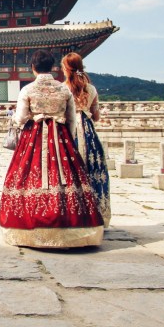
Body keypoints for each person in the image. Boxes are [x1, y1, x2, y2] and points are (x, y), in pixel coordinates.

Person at [0, 50, 103, 248]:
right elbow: (71, 119)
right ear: (53, 68)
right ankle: (71, 228)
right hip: (60, 135)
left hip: (34, 136)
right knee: (65, 176)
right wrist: (68, 142)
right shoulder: (63, 90)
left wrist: (16, 121)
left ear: (33, 68)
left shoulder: (27, 90)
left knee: (29, 175)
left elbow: (20, 118)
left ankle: (29, 226)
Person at [62, 52, 111, 227]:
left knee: (71, 174)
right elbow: (96, 116)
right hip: (89, 134)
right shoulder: (92, 89)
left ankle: (74, 216)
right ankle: (97, 215)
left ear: (66, 68)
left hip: (70, 132)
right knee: (93, 173)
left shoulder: (63, 88)